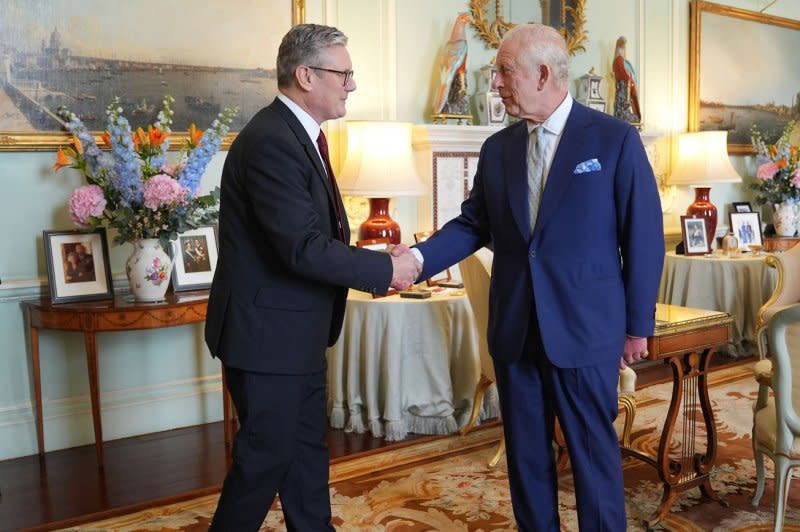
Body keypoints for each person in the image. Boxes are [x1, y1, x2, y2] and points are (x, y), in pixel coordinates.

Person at [404, 24, 664, 530]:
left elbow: (644, 237)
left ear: (543, 73)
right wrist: (415, 261)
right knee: (526, 463)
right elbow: (473, 223)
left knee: (593, 461)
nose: (496, 83)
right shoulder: (498, 149)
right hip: (517, 330)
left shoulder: (614, 140)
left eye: (504, 71)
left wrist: (638, 325)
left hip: (586, 331)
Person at [204, 23, 420, 531]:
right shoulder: (273, 142)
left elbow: (313, 236)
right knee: (263, 461)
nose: (351, 84)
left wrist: (375, 260)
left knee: (303, 460)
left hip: (293, 334)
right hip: (267, 338)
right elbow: (300, 248)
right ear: (305, 75)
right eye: (343, 73)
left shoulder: (298, 136)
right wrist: (384, 269)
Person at [612, 35, 641, 123]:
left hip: (626, 89)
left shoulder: (624, 62)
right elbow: (623, 75)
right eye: (621, 46)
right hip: (622, 90)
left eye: (623, 46)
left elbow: (628, 77)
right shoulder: (618, 60)